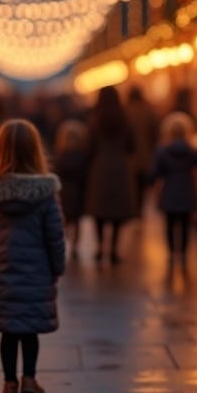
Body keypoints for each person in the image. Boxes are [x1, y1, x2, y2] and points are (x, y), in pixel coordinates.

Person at [0, 119, 66, 393]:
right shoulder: (47, 192)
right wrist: (57, 266)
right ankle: (30, 380)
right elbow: (55, 235)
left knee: (8, 332)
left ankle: (9, 384)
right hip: (36, 272)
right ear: (35, 151)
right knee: (29, 330)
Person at [146, 111, 197, 267]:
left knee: (170, 225)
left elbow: (154, 173)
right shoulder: (191, 150)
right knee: (185, 225)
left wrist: (151, 182)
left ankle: (172, 253)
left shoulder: (163, 151)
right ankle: (184, 254)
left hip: (169, 192)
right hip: (187, 191)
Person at [84, 85, 137, 264]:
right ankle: (114, 249)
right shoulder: (125, 119)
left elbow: (89, 146)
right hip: (120, 166)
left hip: (101, 166)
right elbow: (131, 145)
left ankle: (100, 247)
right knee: (117, 210)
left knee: (99, 209)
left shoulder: (95, 120)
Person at [52, 118, 89, 256]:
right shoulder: (83, 157)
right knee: (77, 221)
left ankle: (65, 241)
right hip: (78, 193)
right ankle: (75, 245)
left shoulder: (60, 157)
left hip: (64, 193)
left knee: (64, 221)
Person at [125, 85, 160, 201]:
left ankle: (136, 208)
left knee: (133, 185)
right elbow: (155, 133)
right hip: (146, 155)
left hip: (130, 157)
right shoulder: (149, 111)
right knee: (144, 185)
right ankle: (141, 208)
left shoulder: (125, 111)